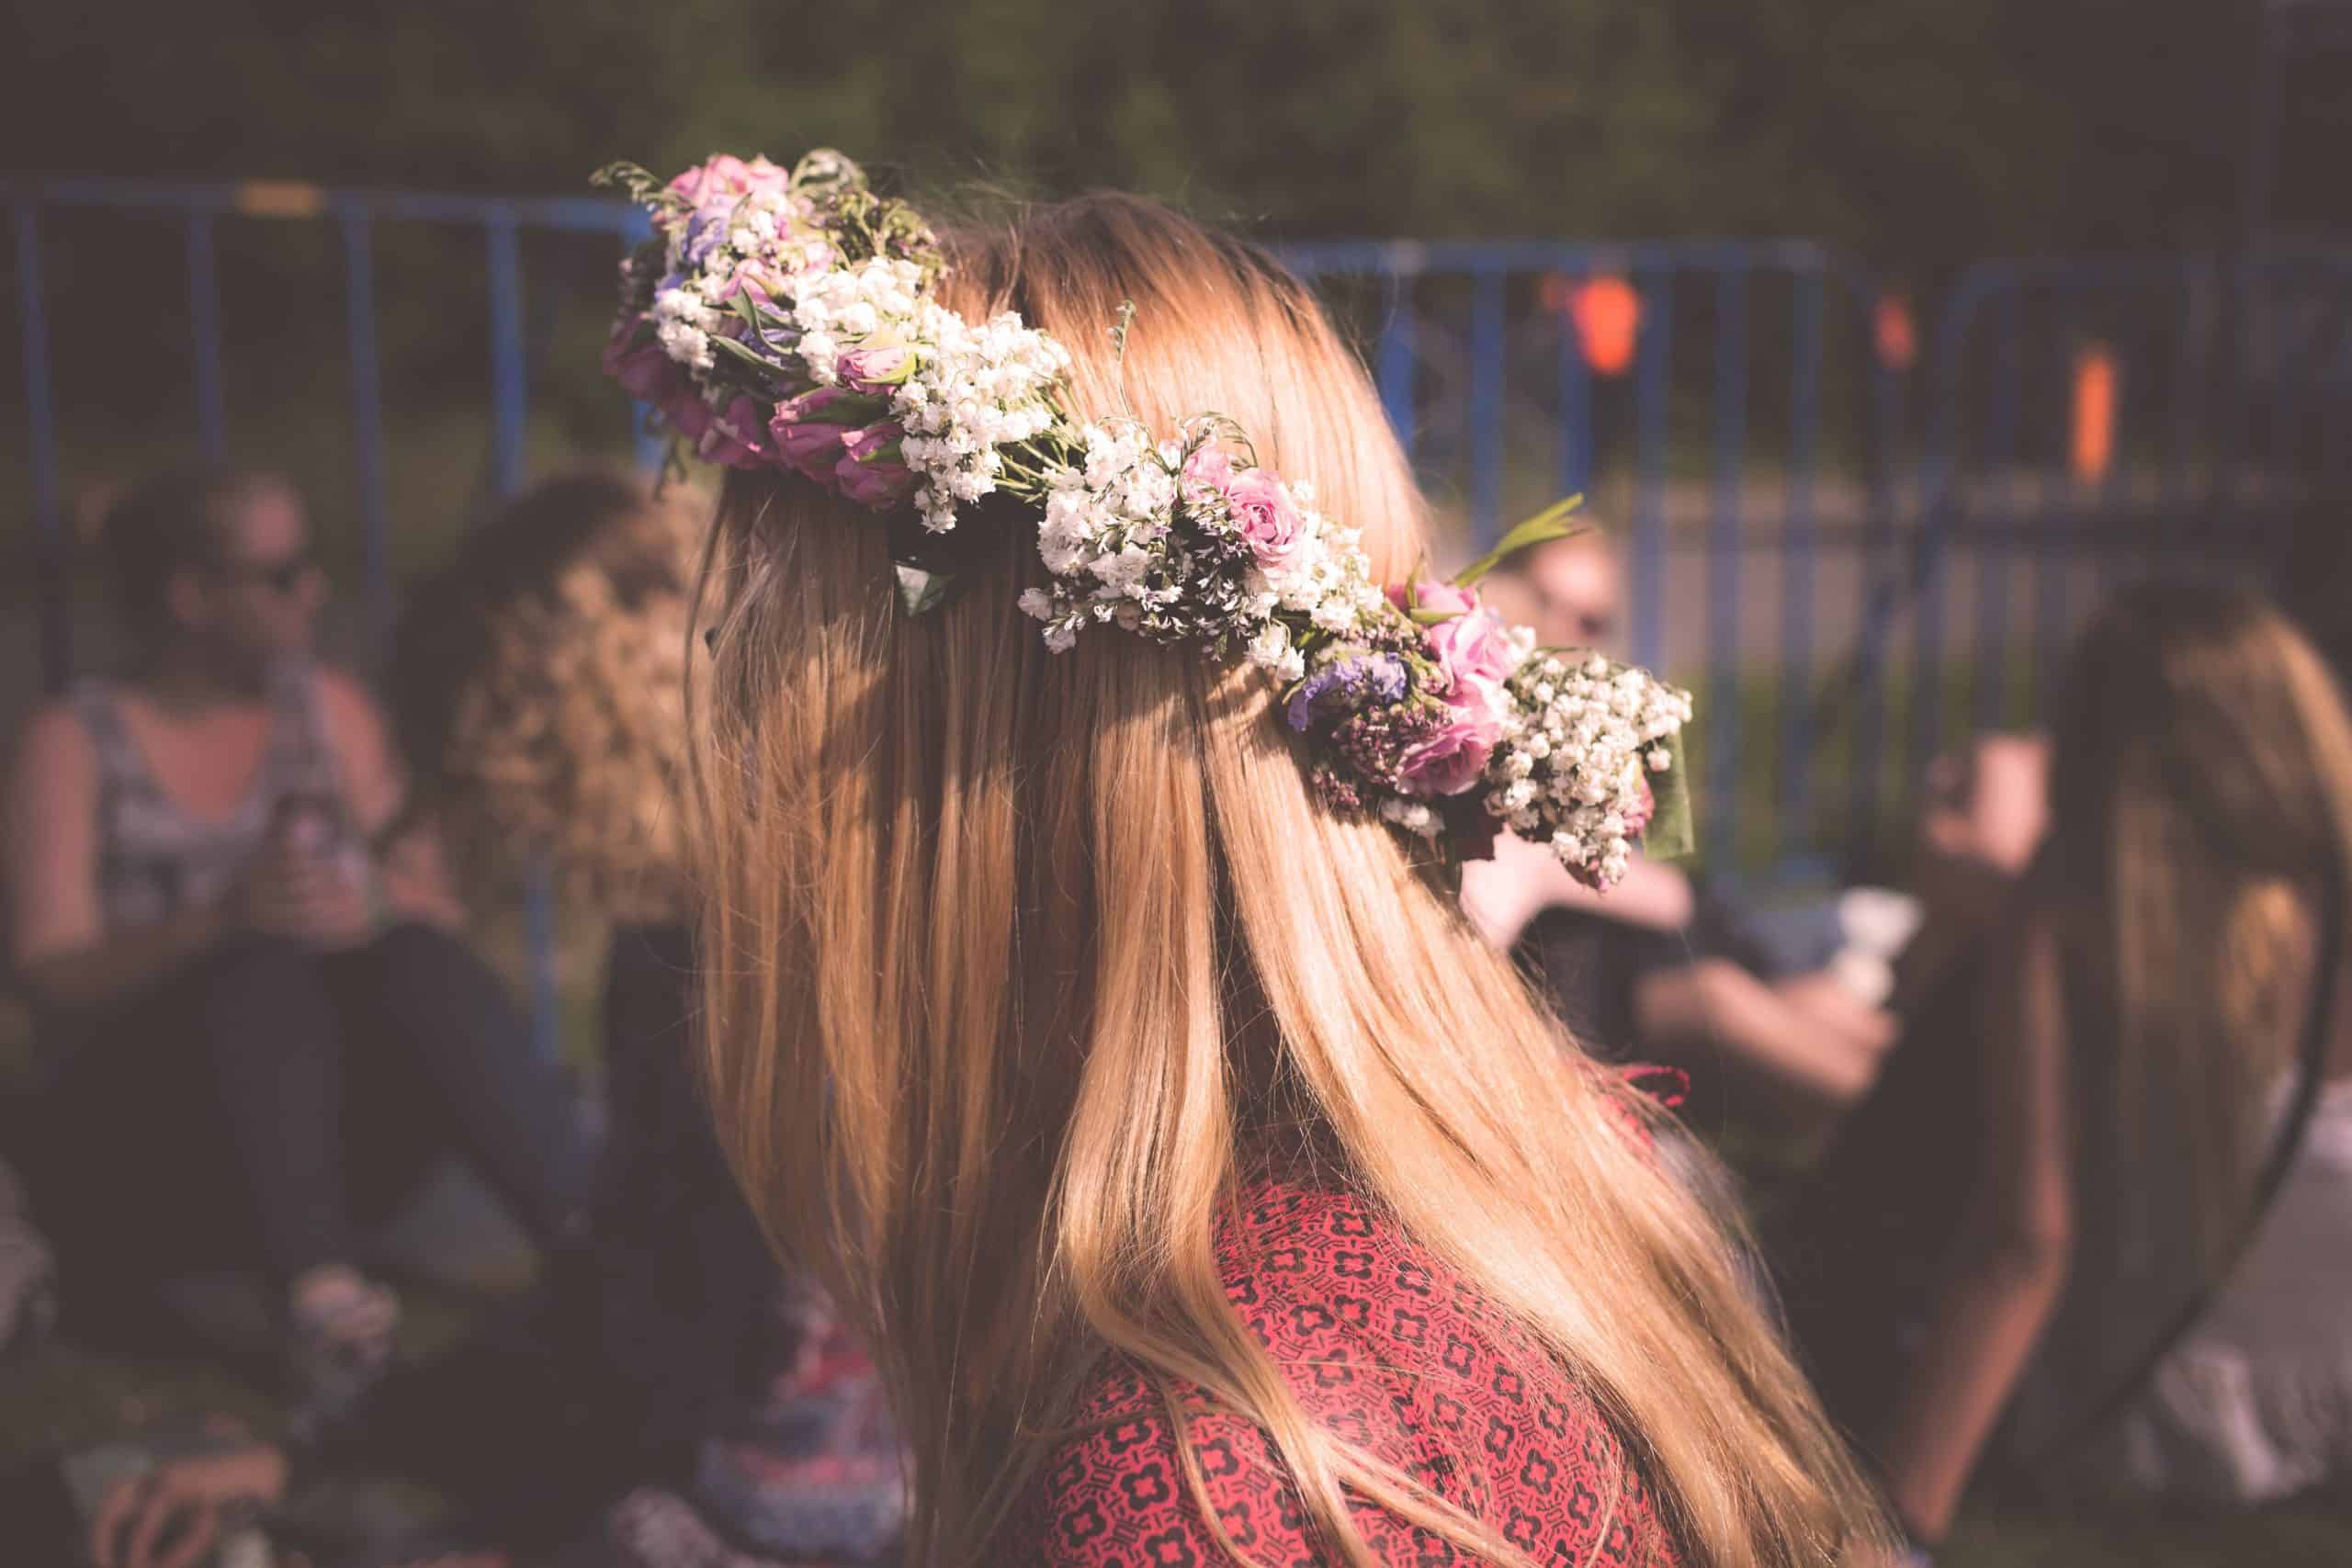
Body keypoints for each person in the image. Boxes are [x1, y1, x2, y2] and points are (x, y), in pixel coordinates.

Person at [655, 152, 1889, 1564]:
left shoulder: (1199, 1481)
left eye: (782, 682)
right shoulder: (1524, 1181)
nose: (749, 779)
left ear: (960, 786)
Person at [1, 466, 589, 1408]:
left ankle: (591, 1240)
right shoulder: (74, 742)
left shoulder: (329, 710)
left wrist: (373, 908)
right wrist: (217, 923)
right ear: (192, 596)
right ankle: (323, 1307)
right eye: (282, 575)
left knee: (413, 959)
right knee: (256, 970)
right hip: (158, 1140)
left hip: (338, 1132)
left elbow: (431, 909)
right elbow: (47, 976)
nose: (313, 593)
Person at [1780, 581, 2352, 1548]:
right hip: (2329, 1411)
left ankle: (1812, 1267)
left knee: (1957, 1014)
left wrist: (1900, 1525)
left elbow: (2025, 1241)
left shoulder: (2070, 926)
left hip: (2152, 1421)